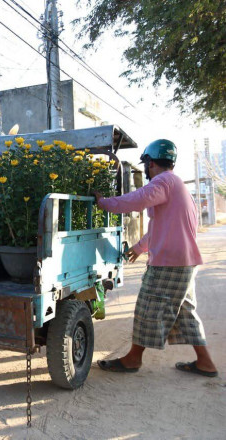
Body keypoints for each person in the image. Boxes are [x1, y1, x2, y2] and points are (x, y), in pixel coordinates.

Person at [93, 139, 217, 377]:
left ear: (150, 162)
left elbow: (138, 200)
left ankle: (132, 359)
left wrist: (104, 203)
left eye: (146, 164)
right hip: (185, 263)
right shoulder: (177, 184)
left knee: (147, 307)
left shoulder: (164, 181)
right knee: (185, 312)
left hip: (170, 263)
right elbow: (162, 226)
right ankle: (205, 363)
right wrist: (140, 247)